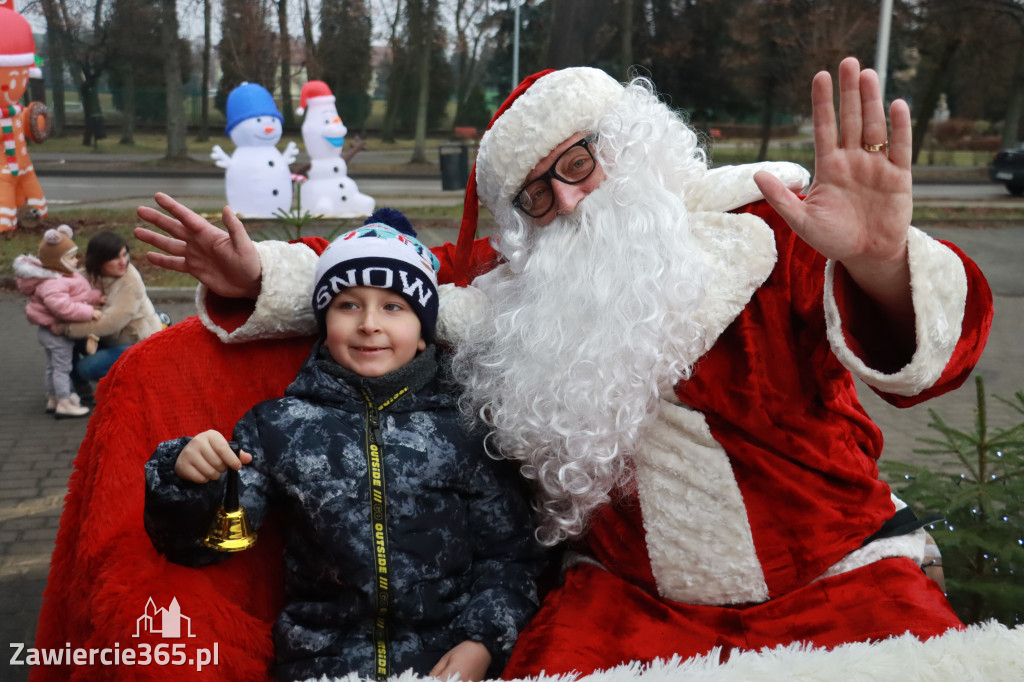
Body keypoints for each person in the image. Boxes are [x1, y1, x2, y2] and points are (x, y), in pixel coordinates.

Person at [135, 58, 1010, 676]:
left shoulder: (772, 215)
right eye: (537, 196)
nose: (570, 200)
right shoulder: (522, 295)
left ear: (631, 141)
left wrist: (881, 263)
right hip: (632, 601)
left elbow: (929, 363)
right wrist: (263, 276)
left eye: (579, 163)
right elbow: (399, 273)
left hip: (832, 572)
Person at [142, 211, 542, 682]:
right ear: (323, 321)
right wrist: (189, 479)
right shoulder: (277, 426)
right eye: (348, 305)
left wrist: (482, 642)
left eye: (394, 307)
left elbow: (513, 556)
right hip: (320, 665)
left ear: (423, 334)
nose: (369, 324)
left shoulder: (466, 428)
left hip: (444, 662)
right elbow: (210, 545)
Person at [13, 225, 103, 419]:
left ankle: (52, 398)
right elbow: (63, 307)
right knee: (62, 368)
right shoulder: (54, 283)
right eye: (70, 257)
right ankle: (64, 401)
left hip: (49, 332)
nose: (76, 260)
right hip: (56, 333)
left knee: (52, 367)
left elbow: (78, 296)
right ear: (57, 261)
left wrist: (95, 297)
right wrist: (90, 312)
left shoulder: (59, 277)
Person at [61, 231, 163, 392]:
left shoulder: (131, 282)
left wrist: (67, 328)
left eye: (124, 254)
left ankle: (141, 385)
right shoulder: (86, 276)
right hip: (111, 341)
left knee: (87, 367)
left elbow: (111, 323)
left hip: (138, 345)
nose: (123, 262)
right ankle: (77, 389)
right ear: (98, 261)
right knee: (63, 338)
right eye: (115, 258)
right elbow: (60, 291)